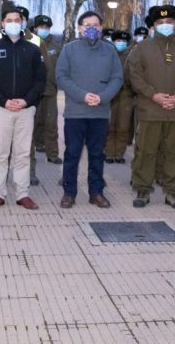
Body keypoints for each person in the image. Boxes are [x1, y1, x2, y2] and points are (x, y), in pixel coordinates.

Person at [127, 5, 175, 209]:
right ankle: (143, 190)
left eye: (169, 22)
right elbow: (134, 76)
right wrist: (154, 95)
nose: (165, 25)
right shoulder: (141, 49)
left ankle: (173, 192)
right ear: (153, 26)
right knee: (145, 152)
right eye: (160, 23)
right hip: (150, 110)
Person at [0, 8, 46, 210]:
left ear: (23, 23)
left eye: (18, 20)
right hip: (1, 109)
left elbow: (40, 80)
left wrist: (26, 101)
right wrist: (3, 101)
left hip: (26, 110)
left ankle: (22, 194)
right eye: (9, 20)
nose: (14, 23)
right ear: (2, 24)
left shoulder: (33, 50)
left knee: (23, 153)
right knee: (0, 153)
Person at [56, 11, 123, 209]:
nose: (91, 28)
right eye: (87, 25)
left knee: (97, 154)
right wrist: (83, 95)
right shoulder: (69, 49)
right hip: (76, 112)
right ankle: (69, 193)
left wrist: (103, 97)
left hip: (100, 112)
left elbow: (117, 78)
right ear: (79, 28)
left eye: (96, 25)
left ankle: (96, 192)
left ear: (101, 28)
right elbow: (61, 77)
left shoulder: (109, 50)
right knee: (72, 154)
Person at [32, 15, 63, 168]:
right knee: (33, 122)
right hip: (31, 92)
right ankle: (34, 149)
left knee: (51, 123)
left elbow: (62, 68)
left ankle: (53, 154)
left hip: (50, 90)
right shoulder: (29, 43)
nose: (43, 30)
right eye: (41, 27)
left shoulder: (56, 46)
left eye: (46, 27)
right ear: (35, 28)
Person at [105, 30, 135, 163]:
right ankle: (109, 152)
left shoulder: (132, 55)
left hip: (126, 93)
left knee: (123, 125)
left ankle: (120, 153)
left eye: (123, 41)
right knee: (110, 125)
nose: (121, 43)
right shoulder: (108, 54)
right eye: (118, 41)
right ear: (113, 41)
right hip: (110, 92)